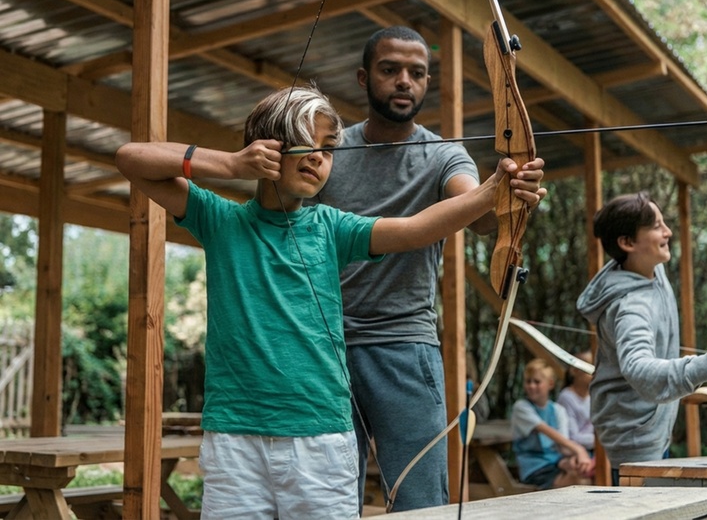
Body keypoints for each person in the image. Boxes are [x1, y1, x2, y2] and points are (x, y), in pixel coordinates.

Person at [114, 84, 534, 519]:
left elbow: (416, 229)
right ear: (267, 147)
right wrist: (231, 163)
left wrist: (491, 192)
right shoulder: (221, 220)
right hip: (234, 436)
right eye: (306, 142)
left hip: (320, 438)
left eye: (329, 150)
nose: (319, 156)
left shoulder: (331, 227)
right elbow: (131, 159)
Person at [308, 26, 546, 511]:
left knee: (422, 501)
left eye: (416, 73)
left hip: (404, 346)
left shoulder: (444, 155)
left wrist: (508, 194)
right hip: (324, 347)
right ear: (362, 77)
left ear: (427, 82)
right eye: (390, 69)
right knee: (328, 501)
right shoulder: (330, 153)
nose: (404, 81)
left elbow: (477, 216)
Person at [575, 192, 707, 486]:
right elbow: (638, 369)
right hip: (634, 433)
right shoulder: (630, 308)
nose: (668, 232)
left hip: (650, 421)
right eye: (656, 226)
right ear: (627, 243)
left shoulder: (650, 268)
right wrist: (704, 365)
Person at [511, 359, 594, 489]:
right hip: (535, 467)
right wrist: (579, 450)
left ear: (550, 384)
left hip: (556, 463)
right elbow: (546, 430)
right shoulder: (521, 407)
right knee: (580, 483)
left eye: (537, 382)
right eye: (528, 381)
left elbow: (564, 445)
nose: (531, 386)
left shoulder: (558, 410)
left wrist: (572, 460)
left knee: (584, 474)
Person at [557, 350, 596, 458]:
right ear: (574, 371)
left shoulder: (593, 396)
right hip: (575, 453)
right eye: (589, 366)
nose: (594, 371)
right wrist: (600, 440)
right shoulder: (566, 397)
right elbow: (572, 437)